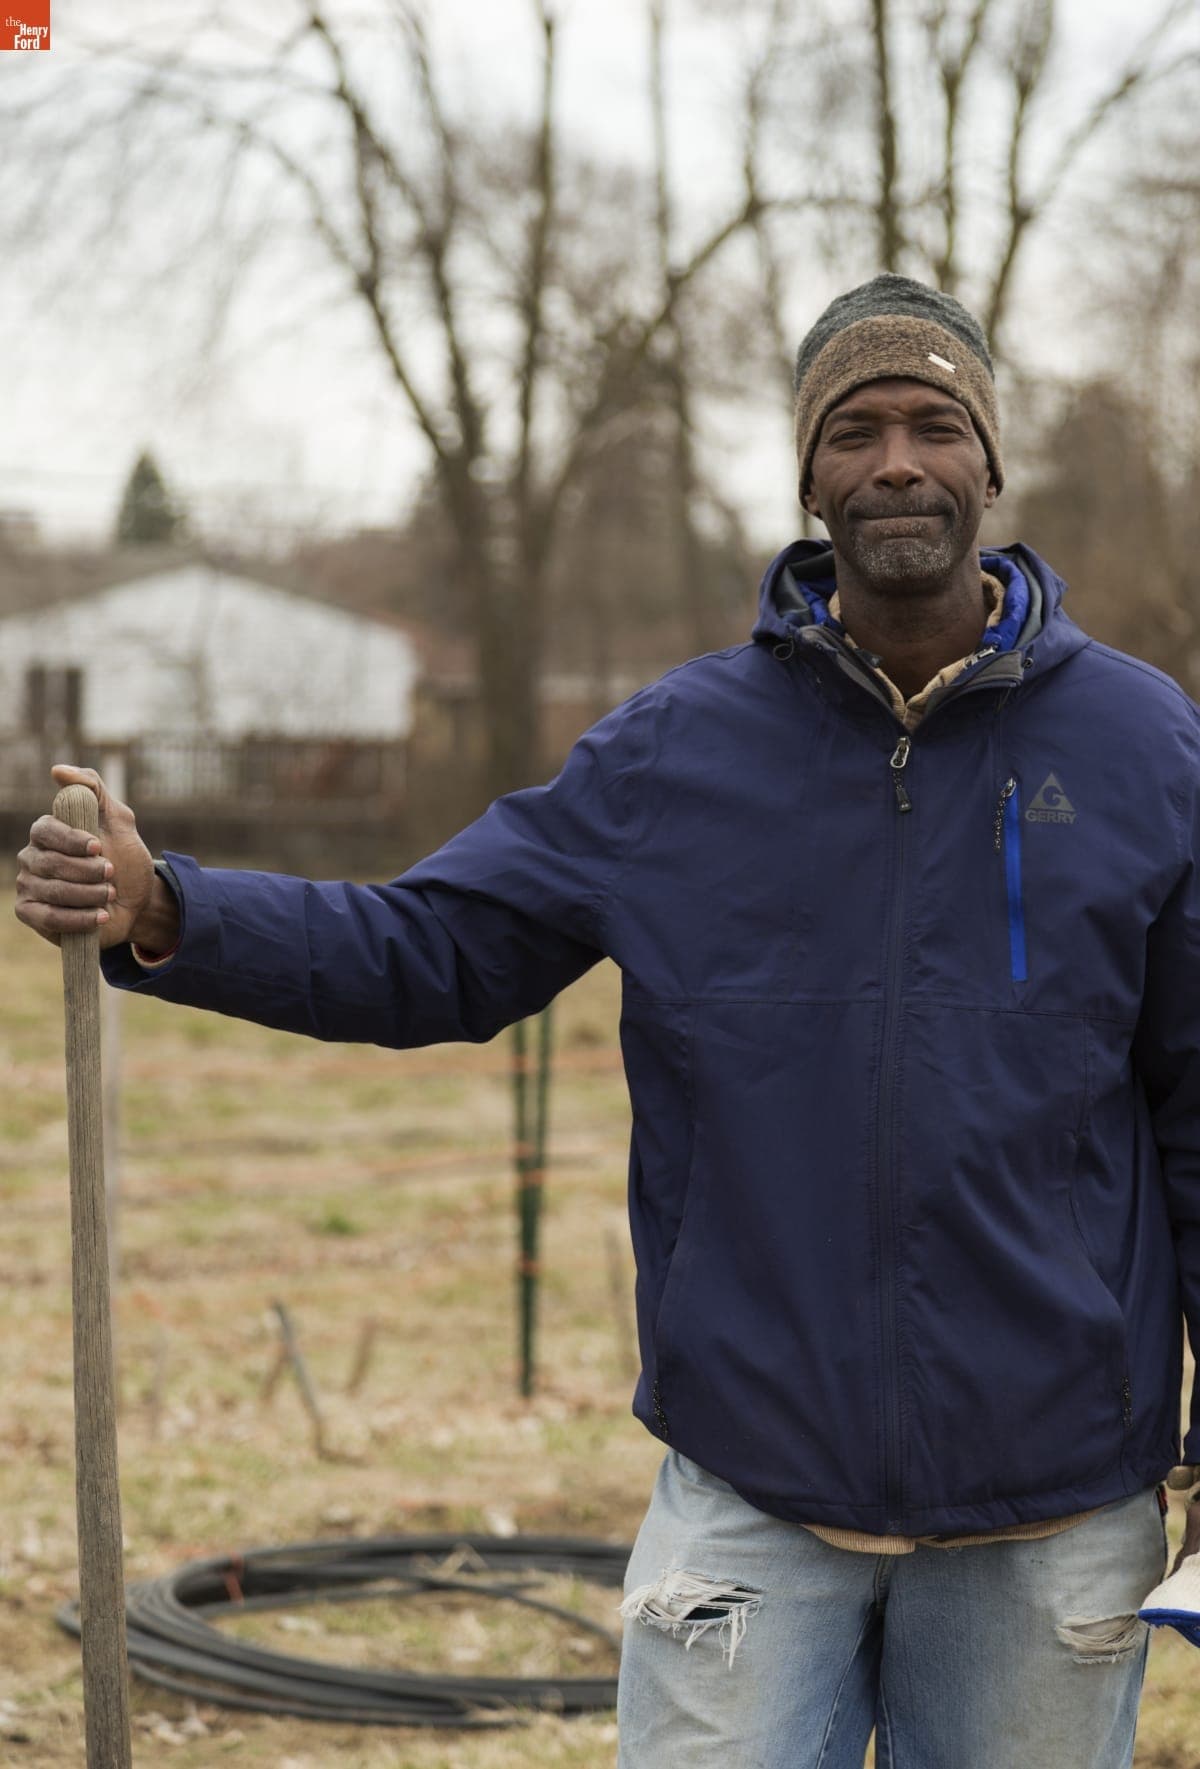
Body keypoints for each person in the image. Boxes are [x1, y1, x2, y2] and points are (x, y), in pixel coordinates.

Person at [16, 274, 1200, 1768]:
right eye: (856, 428)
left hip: (1050, 1509)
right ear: (809, 474)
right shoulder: (678, 756)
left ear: (989, 461)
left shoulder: (1148, 748)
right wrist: (168, 906)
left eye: (932, 423)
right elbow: (433, 951)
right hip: (756, 1497)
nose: (896, 460)